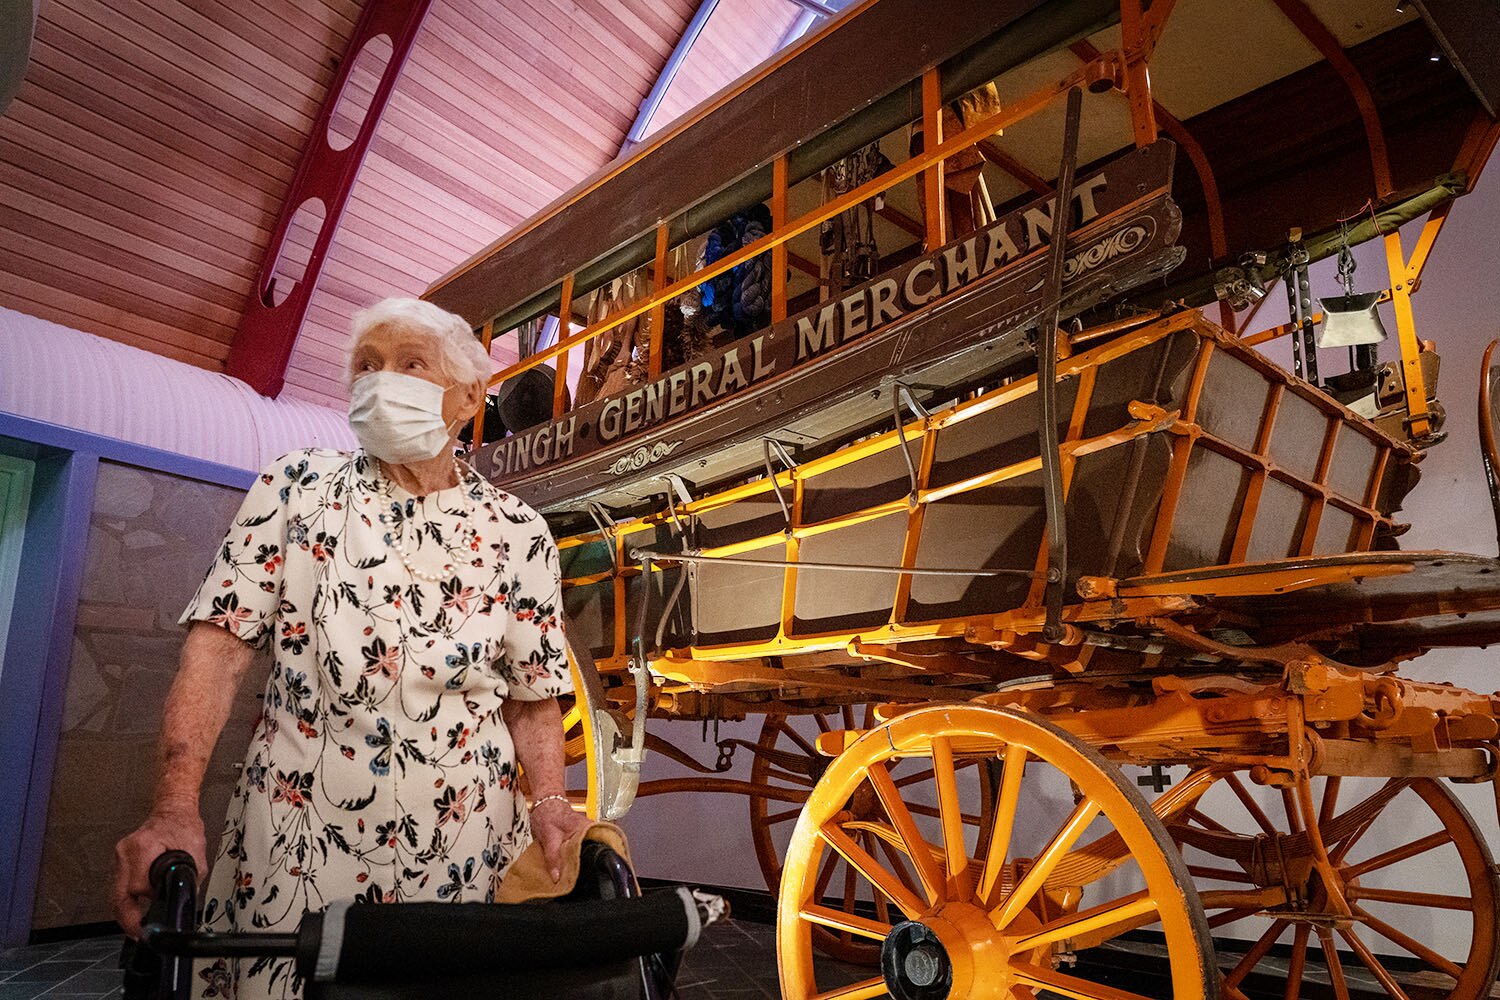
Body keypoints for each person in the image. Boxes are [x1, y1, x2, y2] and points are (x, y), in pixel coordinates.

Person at [111, 297, 589, 999]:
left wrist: (550, 800)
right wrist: (175, 807)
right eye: (366, 366)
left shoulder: (518, 529)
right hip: (299, 842)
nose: (378, 381)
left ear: (468, 396)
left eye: (408, 364)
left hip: (461, 852)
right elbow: (216, 653)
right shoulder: (296, 487)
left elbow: (532, 693)